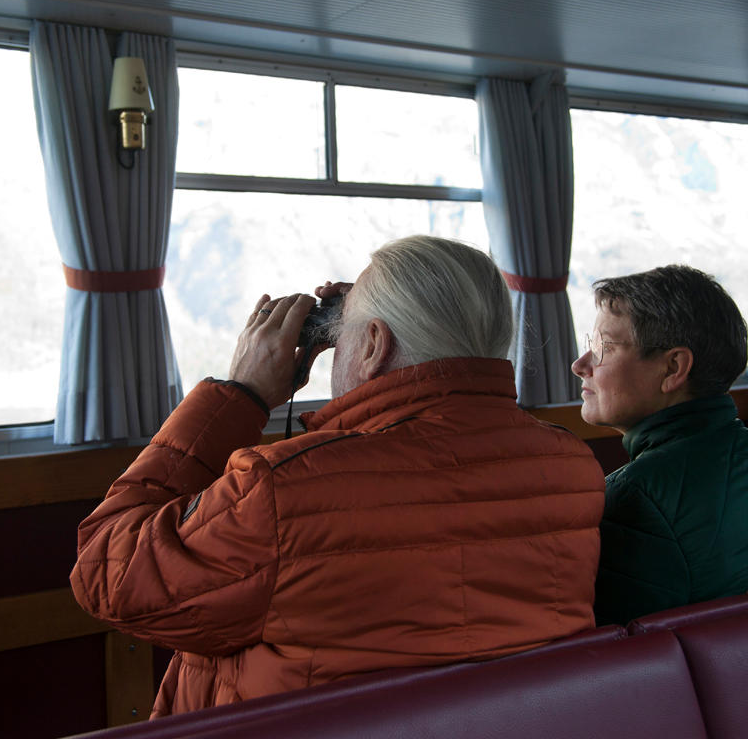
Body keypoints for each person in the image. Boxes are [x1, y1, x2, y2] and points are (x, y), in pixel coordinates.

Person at [71, 235, 605, 718]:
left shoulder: (284, 490)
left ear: (374, 345)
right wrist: (390, 309)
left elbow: (107, 575)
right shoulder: (568, 466)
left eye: (345, 335)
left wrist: (238, 394)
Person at [571, 265, 748, 627]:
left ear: (673, 368)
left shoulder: (632, 499)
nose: (580, 365)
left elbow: (618, 662)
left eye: (605, 347)